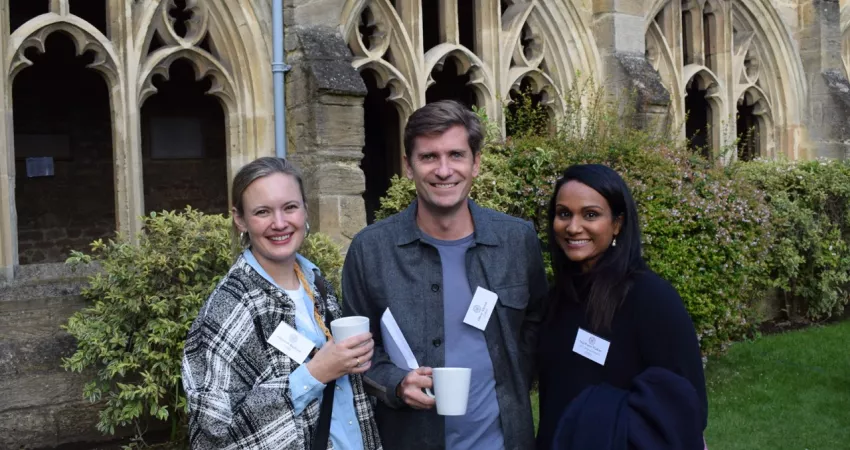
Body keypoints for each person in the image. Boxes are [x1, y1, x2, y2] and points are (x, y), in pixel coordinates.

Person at [341, 100, 548, 450]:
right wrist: (395, 383)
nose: (443, 170)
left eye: (456, 155)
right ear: (408, 166)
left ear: (476, 163)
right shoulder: (371, 250)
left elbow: (538, 319)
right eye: (428, 157)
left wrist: (513, 373)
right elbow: (356, 352)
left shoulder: (516, 240)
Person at [182, 157, 382, 450]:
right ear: (240, 220)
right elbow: (215, 429)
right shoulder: (230, 306)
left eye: (290, 207)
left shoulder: (316, 284)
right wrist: (314, 374)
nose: (279, 223)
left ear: (305, 209)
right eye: (262, 212)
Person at [535, 164, 708, 449]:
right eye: (564, 213)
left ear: (617, 223)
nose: (573, 226)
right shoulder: (558, 297)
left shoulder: (650, 297)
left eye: (590, 214)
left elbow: (685, 405)